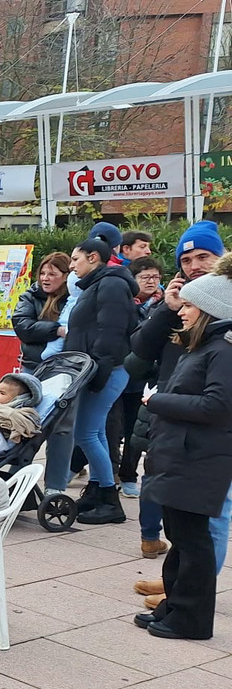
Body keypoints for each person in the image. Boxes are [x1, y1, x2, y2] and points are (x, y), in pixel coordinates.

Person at [135, 254, 232, 641]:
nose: (183, 311)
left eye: (190, 305)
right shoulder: (207, 346)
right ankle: (174, 605)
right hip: (183, 454)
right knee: (180, 534)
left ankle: (191, 619)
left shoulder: (223, 350)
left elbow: (216, 406)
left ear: (210, 309)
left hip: (199, 458)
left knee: (192, 540)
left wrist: (157, 401)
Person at [128, 221, 227, 573]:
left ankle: (199, 588)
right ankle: (182, 582)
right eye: (186, 260)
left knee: (211, 514)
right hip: (173, 413)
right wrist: (167, 309)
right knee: (179, 513)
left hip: (211, 423)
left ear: (222, 256)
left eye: (204, 256)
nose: (195, 265)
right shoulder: (181, 303)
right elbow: (137, 354)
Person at [53, 238, 137, 525]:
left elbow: (110, 333)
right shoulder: (99, 285)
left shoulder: (111, 284)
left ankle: (109, 498)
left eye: (75, 259)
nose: (72, 265)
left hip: (106, 369)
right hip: (100, 369)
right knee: (94, 431)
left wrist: (96, 375)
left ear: (93, 258)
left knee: (86, 433)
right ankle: (99, 492)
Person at [111, 256, 164, 498]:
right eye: (145, 277)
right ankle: (105, 472)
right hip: (118, 372)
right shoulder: (123, 303)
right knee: (111, 427)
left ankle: (129, 475)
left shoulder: (165, 305)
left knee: (135, 429)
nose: (152, 282)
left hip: (143, 379)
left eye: (155, 277)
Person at [11, 252, 71, 370]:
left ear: (66, 276)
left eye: (52, 274)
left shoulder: (73, 299)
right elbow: (23, 326)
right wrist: (57, 330)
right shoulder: (30, 296)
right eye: (42, 273)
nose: (45, 278)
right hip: (33, 365)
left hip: (64, 366)